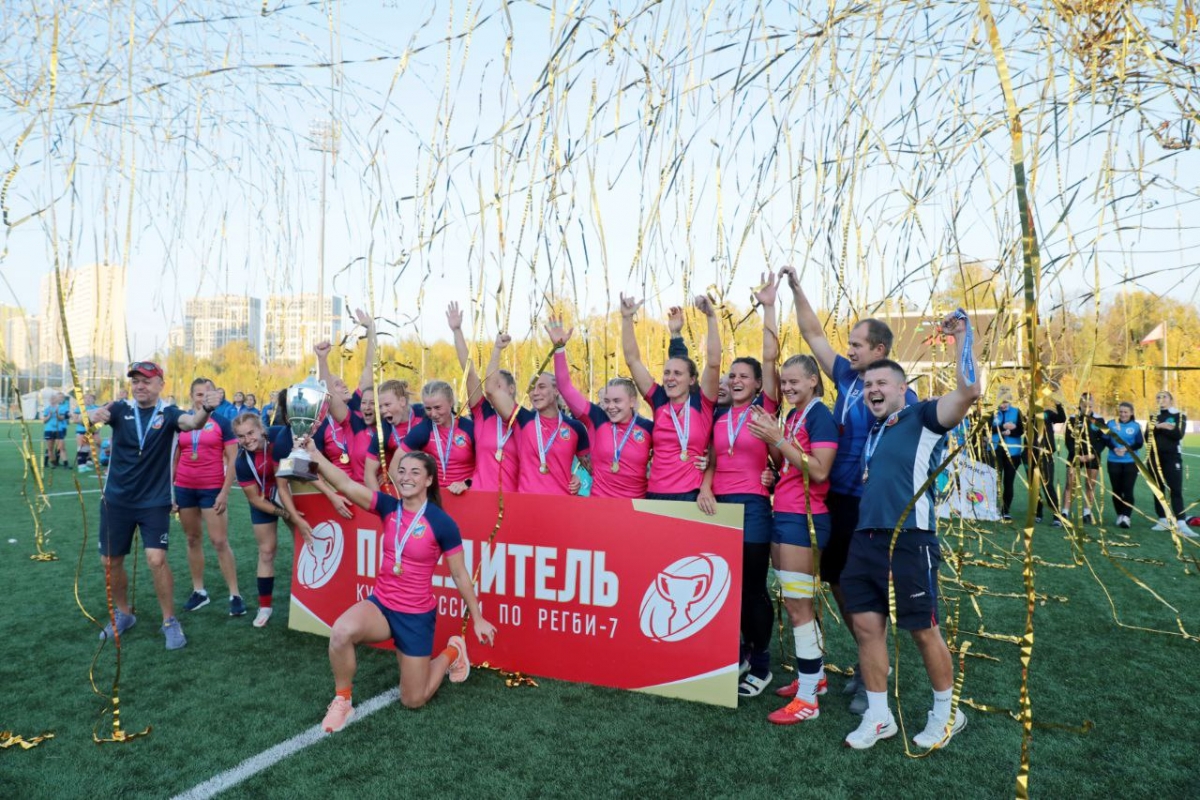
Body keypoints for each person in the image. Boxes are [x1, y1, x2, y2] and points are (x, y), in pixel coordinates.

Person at [779, 263, 916, 713]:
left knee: (868, 587)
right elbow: (813, 333)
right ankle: (864, 660)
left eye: (856, 344)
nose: (848, 349)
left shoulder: (899, 394)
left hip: (872, 506)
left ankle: (872, 672)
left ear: (879, 349)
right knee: (839, 580)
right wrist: (797, 288)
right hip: (836, 499)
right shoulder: (846, 377)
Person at [840, 311, 979, 750]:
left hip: (910, 539)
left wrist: (962, 337)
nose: (873, 390)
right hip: (865, 538)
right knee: (867, 628)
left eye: (882, 383)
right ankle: (878, 717)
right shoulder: (876, 431)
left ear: (903, 388)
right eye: (868, 385)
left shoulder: (923, 417)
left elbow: (969, 391)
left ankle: (947, 713)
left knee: (923, 629)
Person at [303, 442, 497, 733]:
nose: (406, 477)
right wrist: (314, 455)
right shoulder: (388, 506)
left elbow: (459, 574)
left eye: (415, 472)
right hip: (381, 606)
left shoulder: (442, 523)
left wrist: (478, 618)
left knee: (413, 700)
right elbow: (344, 483)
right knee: (341, 632)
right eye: (402, 471)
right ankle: (342, 700)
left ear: (429, 480)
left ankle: (452, 652)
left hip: (415, 616)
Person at [89, 361, 221, 650]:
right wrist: (90, 414)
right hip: (116, 501)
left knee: (156, 559)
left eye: (146, 381)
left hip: (154, 501)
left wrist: (207, 408)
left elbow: (193, 423)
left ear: (161, 384)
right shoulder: (120, 409)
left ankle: (169, 621)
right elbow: (88, 417)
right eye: (135, 381)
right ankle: (123, 614)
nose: (140, 386)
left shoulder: (169, 414)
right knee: (109, 561)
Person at [697, 272, 780, 696]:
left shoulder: (765, 409)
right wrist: (705, 486)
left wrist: (769, 307)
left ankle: (761, 665)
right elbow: (713, 459)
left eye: (743, 375)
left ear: (758, 383)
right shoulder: (719, 415)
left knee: (751, 588)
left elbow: (770, 358)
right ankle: (741, 654)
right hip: (718, 507)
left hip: (753, 506)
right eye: (731, 375)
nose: (734, 380)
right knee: (726, 587)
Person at [747, 354, 839, 723]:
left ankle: (807, 700)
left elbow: (819, 470)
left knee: (799, 608)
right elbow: (791, 462)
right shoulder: (796, 414)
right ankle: (814, 678)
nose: (786, 387)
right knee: (795, 604)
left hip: (806, 519)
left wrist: (778, 439)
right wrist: (774, 458)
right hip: (785, 514)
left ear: (813, 381)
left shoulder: (820, 416)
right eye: (783, 382)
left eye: (794, 381)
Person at [621, 295, 721, 500]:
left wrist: (711, 318)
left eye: (677, 373)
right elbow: (632, 360)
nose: (670, 378)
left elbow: (713, 363)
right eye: (666, 373)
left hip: (690, 494)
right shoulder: (658, 399)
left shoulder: (702, 402)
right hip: (656, 493)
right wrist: (627, 318)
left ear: (692, 379)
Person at [232, 412, 325, 627]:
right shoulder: (242, 461)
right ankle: (265, 606)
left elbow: (304, 463)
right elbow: (255, 500)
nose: (247, 439)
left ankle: (315, 598)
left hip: (293, 494)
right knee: (266, 551)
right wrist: (285, 513)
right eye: (241, 436)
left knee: (306, 544)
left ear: (261, 429)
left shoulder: (278, 436)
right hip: (265, 502)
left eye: (251, 433)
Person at [549, 322, 653, 498]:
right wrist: (559, 349)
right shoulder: (596, 418)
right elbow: (566, 389)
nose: (610, 407)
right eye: (606, 401)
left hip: (635, 507)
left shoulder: (647, 428)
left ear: (632, 401)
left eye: (617, 401)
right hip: (599, 505)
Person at [482, 328, 590, 496]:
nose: (535, 392)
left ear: (556, 390)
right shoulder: (522, 419)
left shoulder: (575, 428)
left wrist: (578, 477)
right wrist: (497, 349)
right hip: (528, 504)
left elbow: (595, 469)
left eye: (541, 387)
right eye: (532, 388)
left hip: (562, 504)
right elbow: (491, 390)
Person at [174, 378, 244, 617]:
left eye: (207, 394)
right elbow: (175, 458)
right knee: (192, 539)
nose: (203, 398)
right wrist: (171, 491)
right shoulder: (182, 421)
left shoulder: (223, 422)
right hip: (184, 488)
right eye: (198, 394)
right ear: (191, 396)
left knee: (219, 541)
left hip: (212, 488)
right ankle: (199, 591)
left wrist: (224, 492)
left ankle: (235, 594)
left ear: (215, 396)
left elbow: (233, 459)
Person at [447, 303, 520, 493]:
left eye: (498, 385)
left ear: (511, 389)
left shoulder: (525, 421)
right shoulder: (483, 414)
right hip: (480, 498)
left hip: (514, 501)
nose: (491, 390)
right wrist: (457, 331)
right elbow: (469, 373)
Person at [398, 381, 477, 495]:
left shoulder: (469, 428)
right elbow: (396, 463)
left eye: (437, 407)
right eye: (428, 409)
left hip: (467, 493)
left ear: (451, 402)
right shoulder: (423, 430)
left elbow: (487, 466)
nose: (433, 414)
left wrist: (468, 483)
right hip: (434, 495)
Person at [364, 379, 426, 490]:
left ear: (402, 401)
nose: (383, 410)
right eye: (380, 406)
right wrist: (380, 499)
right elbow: (369, 474)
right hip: (403, 482)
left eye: (387, 405)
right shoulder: (383, 431)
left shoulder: (424, 413)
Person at [1147, 391, 1194, 535]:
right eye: (1158, 397)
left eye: (1164, 397)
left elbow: (1178, 434)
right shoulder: (1153, 416)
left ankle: (1181, 523)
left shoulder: (1179, 415)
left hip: (1172, 457)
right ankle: (1163, 520)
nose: (1160, 399)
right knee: (1158, 489)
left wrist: (1160, 428)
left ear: (1171, 400)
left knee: (1175, 490)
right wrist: (1162, 426)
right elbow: (1147, 436)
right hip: (1154, 458)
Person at [1063, 393, 1107, 524]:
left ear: (1093, 405)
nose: (1087, 408)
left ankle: (1087, 512)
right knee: (1070, 484)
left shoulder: (1099, 419)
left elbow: (1103, 440)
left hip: (1093, 457)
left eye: (1090, 406)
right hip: (1075, 456)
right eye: (1084, 406)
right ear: (1080, 405)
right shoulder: (1072, 418)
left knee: (1090, 485)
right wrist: (1076, 454)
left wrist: (1093, 454)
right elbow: (1068, 440)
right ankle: (1065, 511)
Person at [1106, 401, 1144, 529]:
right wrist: (1114, 448)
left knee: (1128, 489)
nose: (1123, 414)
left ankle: (1126, 517)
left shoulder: (1136, 426)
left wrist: (1126, 449)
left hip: (1131, 462)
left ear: (1131, 413)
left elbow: (1139, 443)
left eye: (1126, 412)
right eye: (1121, 411)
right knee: (1116, 490)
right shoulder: (1111, 424)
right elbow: (1106, 439)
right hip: (1113, 461)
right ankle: (1120, 515)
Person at [1029, 395, 1067, 524]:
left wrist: (1058, 404)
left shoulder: (1048, 413)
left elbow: (1062, 418)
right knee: (1034, 486)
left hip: (1046, 455)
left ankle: (1057, 515)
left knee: (1048, 485)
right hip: (1032, 455)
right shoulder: (1029, 414)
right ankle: (1038, 512)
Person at [990, 391, 1024, 521]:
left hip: (1012, 453)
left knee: (1008, 482)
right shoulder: (993, 412)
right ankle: (991, 508)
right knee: (993, 480)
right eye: (1001, 402)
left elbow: (1021, 430)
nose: (1003, 405)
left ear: (1009, 401)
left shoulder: (1017, 412)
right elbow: (988, 429)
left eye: (1005, 402)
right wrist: (1002, 427)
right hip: (995, 451)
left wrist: (1012, 431)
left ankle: (1005, 510)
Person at [72, 392, 101, 472]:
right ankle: (81, 466)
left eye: (90, 398)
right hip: (81, 430)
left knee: (87, 448)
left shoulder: (94, 408)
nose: (88, 399)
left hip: (91, 430)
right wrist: (85, 422)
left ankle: (84, 465)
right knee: (82, 447)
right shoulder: (79, 408)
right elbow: (75, 420)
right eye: (86, 398)